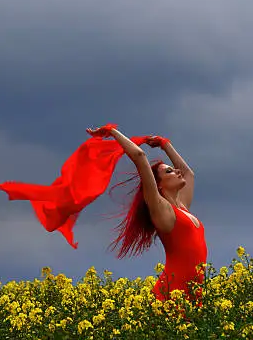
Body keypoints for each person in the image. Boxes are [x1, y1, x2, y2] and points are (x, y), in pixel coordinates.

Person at [86, 125, 207, 304]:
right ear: (158, 184)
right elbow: (140, 156)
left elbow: (189, 173)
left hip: (192, 295)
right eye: (169, 171)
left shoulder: (183, 207)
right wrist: (112, 131)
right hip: (171, 295)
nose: (177, 171)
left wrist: (165, 144)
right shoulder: (161, 208)